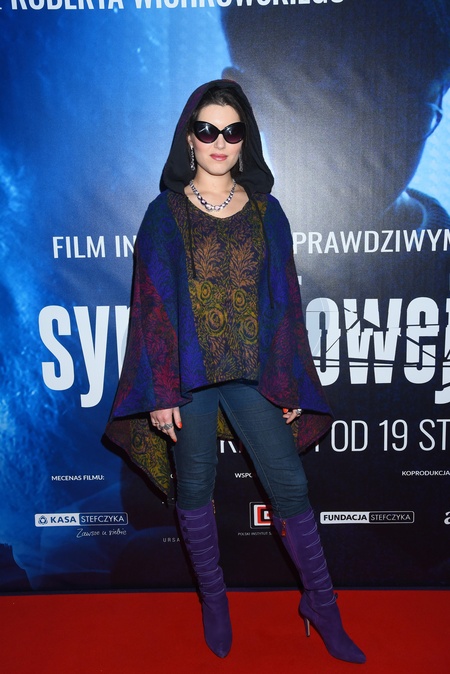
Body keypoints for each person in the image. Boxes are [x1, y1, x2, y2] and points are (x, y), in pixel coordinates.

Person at [105, 80, 365, 664]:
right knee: (196, 487)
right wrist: (161, 390)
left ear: (245, 140)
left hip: (252, 373)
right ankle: (215, 600)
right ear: (189, 140)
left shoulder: (268, 211)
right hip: (188, 379)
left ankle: (322, 605)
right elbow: (152, 307)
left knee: (291, 485)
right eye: (207, 130)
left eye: (232, 130)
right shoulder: (165, 214)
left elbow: (284, 302)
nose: (219, 141)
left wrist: (289, 378)